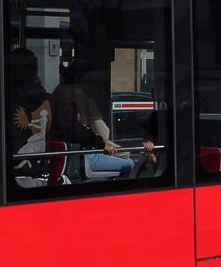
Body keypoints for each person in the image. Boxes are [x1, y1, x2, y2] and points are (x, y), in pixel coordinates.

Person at [52, 60, 133, 179]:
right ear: (81, 79)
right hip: (82, 156)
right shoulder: (83, 99)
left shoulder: (55, 93)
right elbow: (103, 133)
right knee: (129, 163)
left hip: (59, 154)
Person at [8, 47, 52, 183]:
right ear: (34, 71)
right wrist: (99, 143)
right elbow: (73, 129)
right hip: (39, 177)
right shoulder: (51, 102)